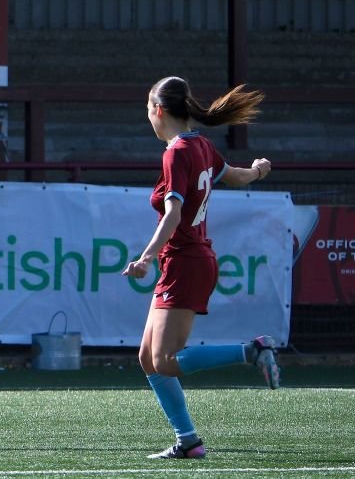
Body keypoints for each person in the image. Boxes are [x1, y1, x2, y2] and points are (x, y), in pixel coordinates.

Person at [122, 76, 280, 459]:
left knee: (167, 361)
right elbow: (238, 176)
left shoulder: (176, 152)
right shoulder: (202, 146)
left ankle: (253, 350)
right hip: (188, 261)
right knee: (149, 359)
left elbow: (173, 213)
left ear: (159, 110)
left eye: (148, 109)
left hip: (186, 262)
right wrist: (258, 170)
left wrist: (145, 257)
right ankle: (188, 440)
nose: (149, 118)